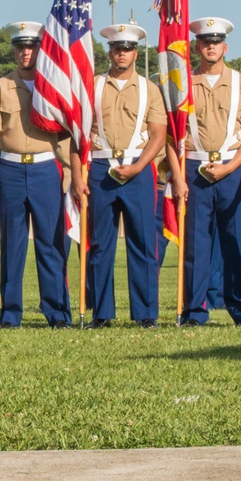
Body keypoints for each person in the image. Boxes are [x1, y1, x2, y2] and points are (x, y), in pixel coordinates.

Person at [0, 22, 72, 328]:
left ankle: (57, 313)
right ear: (14, 51)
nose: (25, 52)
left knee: (51, 244)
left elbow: (70, 132)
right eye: (20, 47)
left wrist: (74, 172)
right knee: (12, 245)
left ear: (41, 49)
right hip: (11, 168)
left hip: (46, 168)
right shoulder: (1, 87)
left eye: (31, 46)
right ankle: (11, 314)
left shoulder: (55, 86)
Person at [70, 24, 166, 327]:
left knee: (143, 244)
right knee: (99, 245)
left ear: (136, 53)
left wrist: (139, 167)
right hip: (100, 170)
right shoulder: (92, 86)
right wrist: (76, 177)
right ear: (109, 51)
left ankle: (146, 314)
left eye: (127, 48)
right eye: (116, 48)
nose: (121, 53)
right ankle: (101, 313)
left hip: (139, 170)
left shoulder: (150, 89)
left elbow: (158, 135)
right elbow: (77, 136)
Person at [168, 18, 241, 326]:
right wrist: (178, 178)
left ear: (225, 46)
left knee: (235, 243)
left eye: (216, 42)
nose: (211, 46)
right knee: (195, 246)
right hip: (194, 169)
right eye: (205, 42)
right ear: (197, 46)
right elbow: (171, 137)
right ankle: (194, 312)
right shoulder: (180, 84)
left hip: (232, 170)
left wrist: (230, 168)